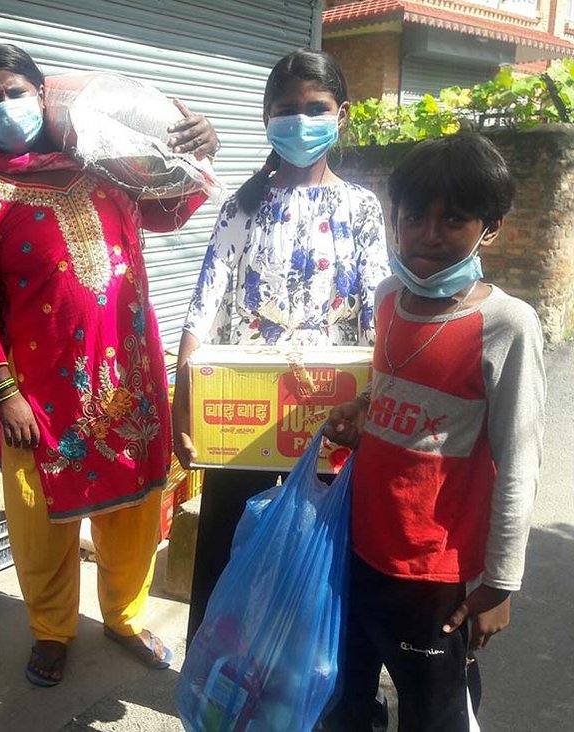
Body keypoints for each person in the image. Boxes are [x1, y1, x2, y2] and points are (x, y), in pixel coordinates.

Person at [0, 43, 217, 687]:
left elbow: (172, 209)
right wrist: (3, 393)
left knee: (131, 512)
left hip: (131, 378)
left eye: (12, 91)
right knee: (40, 519)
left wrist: (198, 148)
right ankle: (50, 630)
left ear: (44, 93)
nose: (1, 106)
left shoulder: (106, 166)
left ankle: (124, 617)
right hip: (39, 394)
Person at [324, 133, 544, 730]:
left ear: (489, 228)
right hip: (360, 544)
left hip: (433, 570)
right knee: (347, 697)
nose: (428, 233)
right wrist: (364, 411)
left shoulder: (506, 324)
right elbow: (395, 390)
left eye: (454, 219)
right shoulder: (388, 297)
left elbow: (520, 461)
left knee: (434, 709)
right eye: (413, 216)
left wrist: (500, 584)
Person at [172, 49, 390, 642]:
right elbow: (203, 309)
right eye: (286, 110)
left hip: (331, 415)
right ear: (266, 119)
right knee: (225, 548)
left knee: (320, 557)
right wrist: (180, 409)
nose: (301, 121)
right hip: (239, 418)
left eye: (315, 108)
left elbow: (380, 318)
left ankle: (302, 684)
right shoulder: (241, 206)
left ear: (341, 115)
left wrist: (373, 402)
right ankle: (214, 676)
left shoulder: (362, 209)